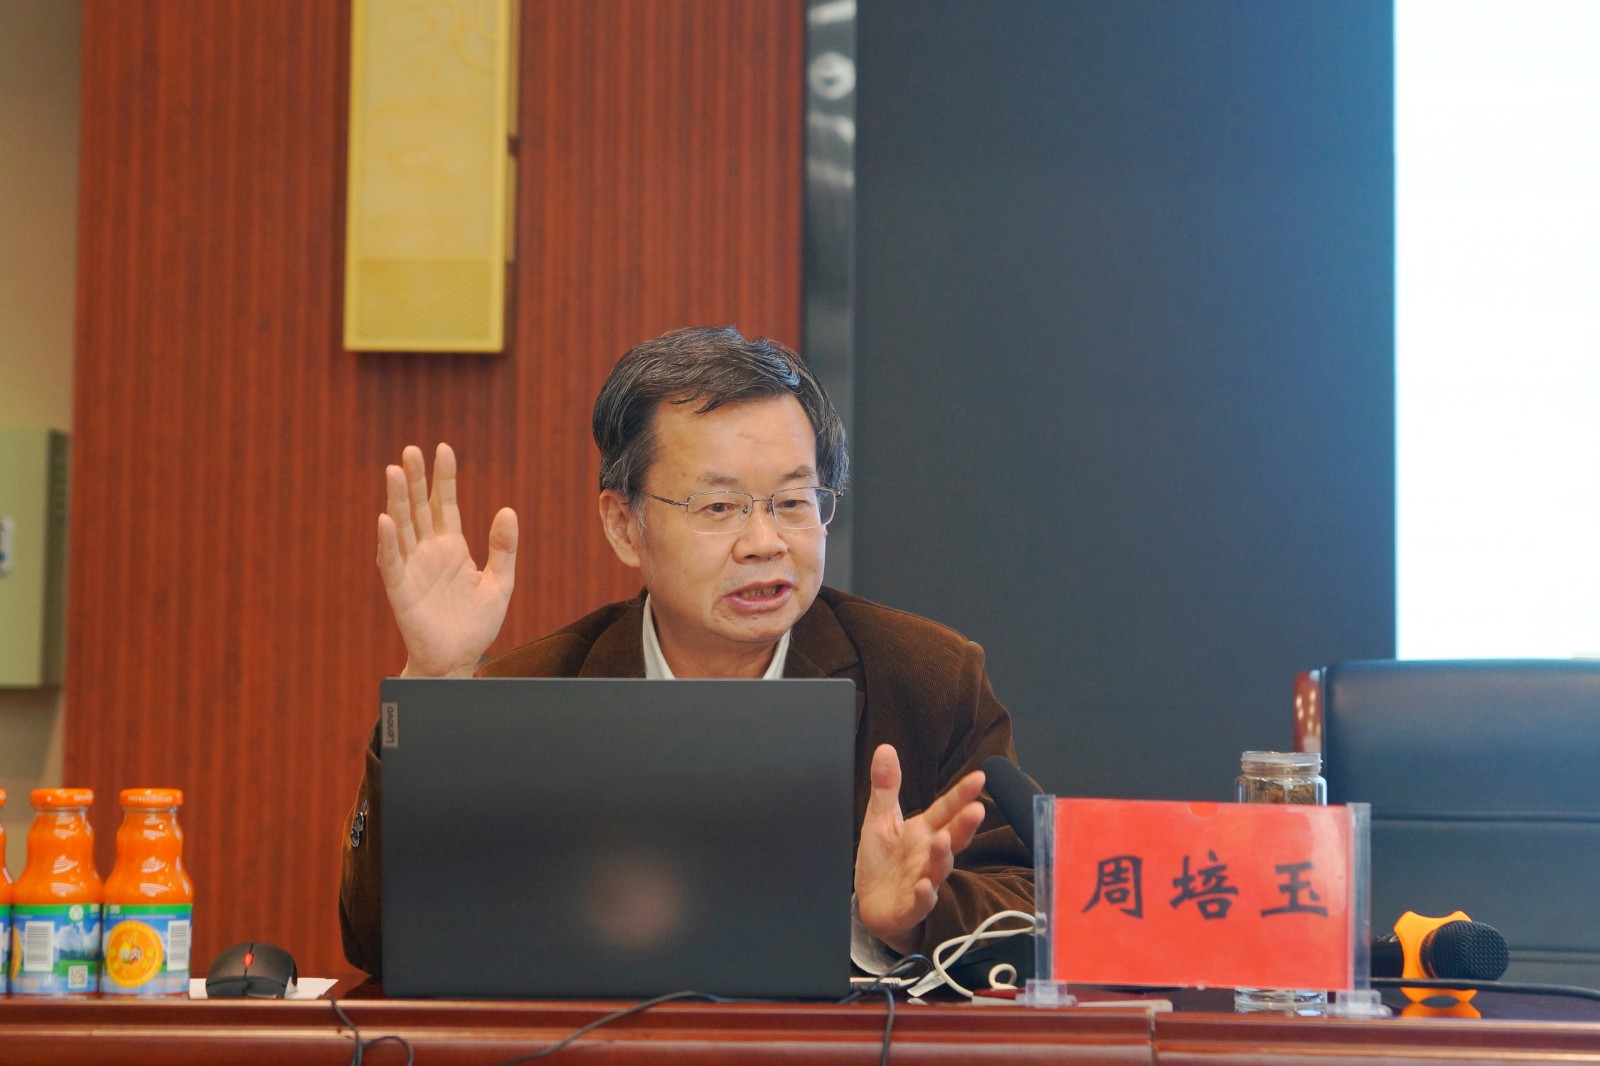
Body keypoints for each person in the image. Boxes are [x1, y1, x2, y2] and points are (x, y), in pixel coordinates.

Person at [339, 326, 1033, 978]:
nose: (764, 542)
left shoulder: (925, 679)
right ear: (623, 525)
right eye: (718, 507)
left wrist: (907, 921)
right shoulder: (531, 692)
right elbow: (381, 940)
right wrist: (434, 683)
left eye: (794, 501)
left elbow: (1035, 906)